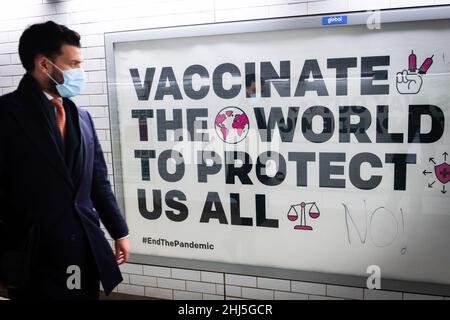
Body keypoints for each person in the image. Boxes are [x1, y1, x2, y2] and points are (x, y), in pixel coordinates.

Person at [0, 21, 130, 300]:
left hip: (84, 247)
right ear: (44, 65)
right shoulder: (6, 114)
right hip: (33, 254)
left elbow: (98, 181)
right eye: (73, 64)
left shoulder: (81, 117)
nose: (80, 72)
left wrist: (119, 231)